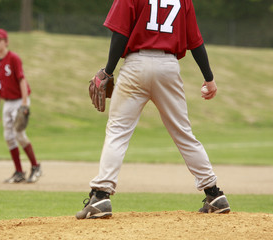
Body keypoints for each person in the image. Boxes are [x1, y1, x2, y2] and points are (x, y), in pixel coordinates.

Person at [76, 0, 230, 219]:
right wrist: (209, 79)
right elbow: (195, 41)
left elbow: (120, 34)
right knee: (184, 133)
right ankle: (214, 194)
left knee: (118, 132)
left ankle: (101, 196)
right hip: (169, 66)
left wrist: (108, 71)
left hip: (136, 64)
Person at [0, 29, 41, 183]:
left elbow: (22, 80)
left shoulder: (14, 58)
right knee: (9, 137)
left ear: (6, 42)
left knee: (19, 134)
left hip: (20, 100)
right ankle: (19, 171)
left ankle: (35, 166)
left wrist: (24, 104)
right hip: (7, 102)